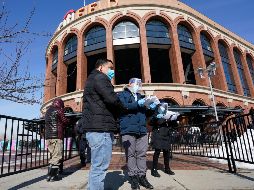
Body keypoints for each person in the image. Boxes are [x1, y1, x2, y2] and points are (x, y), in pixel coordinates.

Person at [80, 58, 125, 190]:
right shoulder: (100, 77)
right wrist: (124, 108)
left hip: (97, 128)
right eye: (110, 68)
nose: (112, 71)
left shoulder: (92, 79)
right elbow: (112, 99)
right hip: (101, 129)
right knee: (100, 167)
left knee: (96, 166)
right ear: (101, 67)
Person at [118, 78, 154, 190]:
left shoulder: (141, 96)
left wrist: (151, 107)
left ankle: (142, 176)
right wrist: (138, 103)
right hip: (128, 129)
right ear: (130, 84)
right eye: (136, 83)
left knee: (142, 154)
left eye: (140, 84)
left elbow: (146, 113)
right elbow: (124, 106)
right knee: (131, 154)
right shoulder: (122, 94)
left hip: (141, 129)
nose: (138, 85)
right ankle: (133, 178)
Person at [149, 103, 176, 177]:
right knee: (157, 151)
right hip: (158, 134)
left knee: (166, 152)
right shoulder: (155, 113)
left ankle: (167, 168)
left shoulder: (168, 113)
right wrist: (156, 117)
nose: (163, 109)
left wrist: (173, 119)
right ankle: (154, 169)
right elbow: (150, 122)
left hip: (166, 134)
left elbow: (174, 125)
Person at [45, 98, 69, 182]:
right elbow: (64, 121)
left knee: (52, 156)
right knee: (57, 156)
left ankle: (49, 175)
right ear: (60, 104)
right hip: (57, 136)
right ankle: (53, 176)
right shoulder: (58, 110)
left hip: (48, 137)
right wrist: (69, 121)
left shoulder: (47, 111)